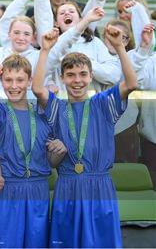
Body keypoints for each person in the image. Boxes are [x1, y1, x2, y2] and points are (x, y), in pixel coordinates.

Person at [32, 26, 138, 248]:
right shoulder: (57, 108)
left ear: (91, 77)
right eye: (70, 75)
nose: (77, 80)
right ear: (62, 78)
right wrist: (45, 51)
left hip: (99, 184)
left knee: (101, 242)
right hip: (68, 185)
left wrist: (120, 47)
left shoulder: (103, 104)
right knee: (68, 241)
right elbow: (38, 88)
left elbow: (131, 84)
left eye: (82, 74)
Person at [0, 53, 67, 247]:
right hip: (8, 187)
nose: (14, 85)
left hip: (38, 188)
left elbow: (51, 162)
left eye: (19, 80)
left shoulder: (42, 115)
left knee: (36, 244)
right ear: (1, 81)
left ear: (29, 81)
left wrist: (59, 152)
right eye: (8, 80)